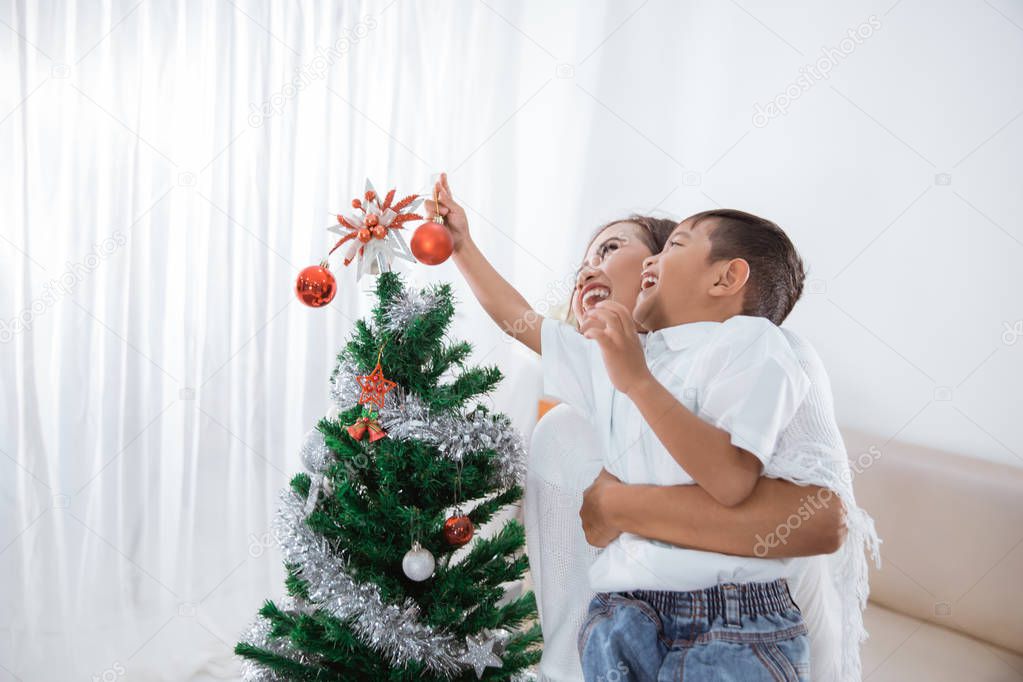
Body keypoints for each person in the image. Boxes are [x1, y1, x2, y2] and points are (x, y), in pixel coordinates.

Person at [426, 174, 879, 681]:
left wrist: (617, 489)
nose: (588, 270)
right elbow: (520, 321)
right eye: (582, 262)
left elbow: (757, 491)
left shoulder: (753, 346)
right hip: (625, 613)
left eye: (613, 248)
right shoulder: (609, 371)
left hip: (731, 618)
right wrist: (462, 247)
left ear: (722, 279)